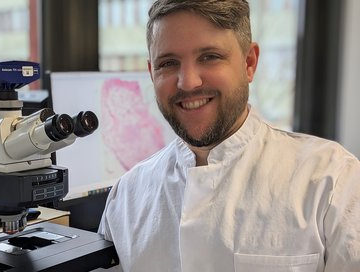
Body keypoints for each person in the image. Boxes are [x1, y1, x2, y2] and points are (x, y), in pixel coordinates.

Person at [97, 0, 360, 271]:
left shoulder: (332, 181)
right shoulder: (126, 196)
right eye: (168, 63)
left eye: (209, 57)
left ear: (249, 63)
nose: (188, 82)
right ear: (152, 73)